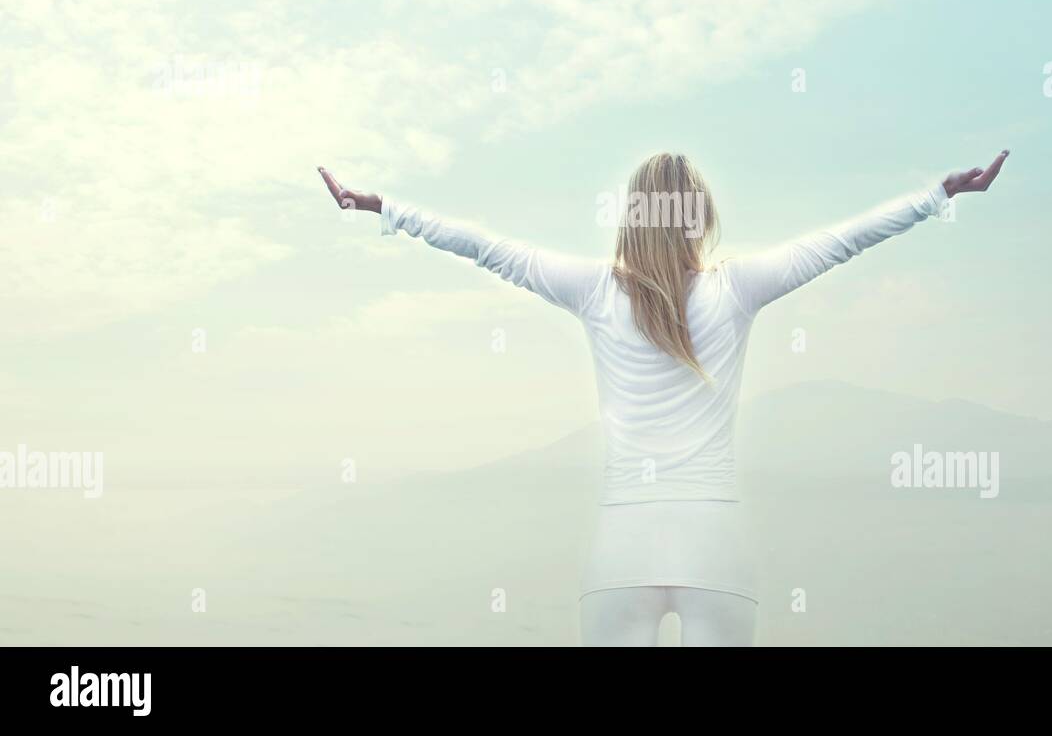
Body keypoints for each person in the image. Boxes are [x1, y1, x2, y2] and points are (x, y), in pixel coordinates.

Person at [318, 149, 1009, 646]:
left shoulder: (591, 289)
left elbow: (484, 247)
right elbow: (840, 243)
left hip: (622, 548)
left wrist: (386, 207)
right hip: (715, 545)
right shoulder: (737, 288)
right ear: (699, 217)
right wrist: (936, 196)